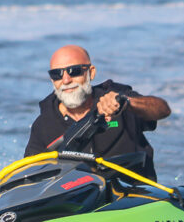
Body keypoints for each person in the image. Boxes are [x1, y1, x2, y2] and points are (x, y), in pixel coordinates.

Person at [24, 45, 171, 180]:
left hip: (136, 197)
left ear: (91, 72)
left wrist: (127, 102)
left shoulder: (117, 96)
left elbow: (163, 109)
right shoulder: (43, 124)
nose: (66, 80)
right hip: (81, 204)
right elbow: (30, 176)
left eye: (74, 71)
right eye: (57, 74)